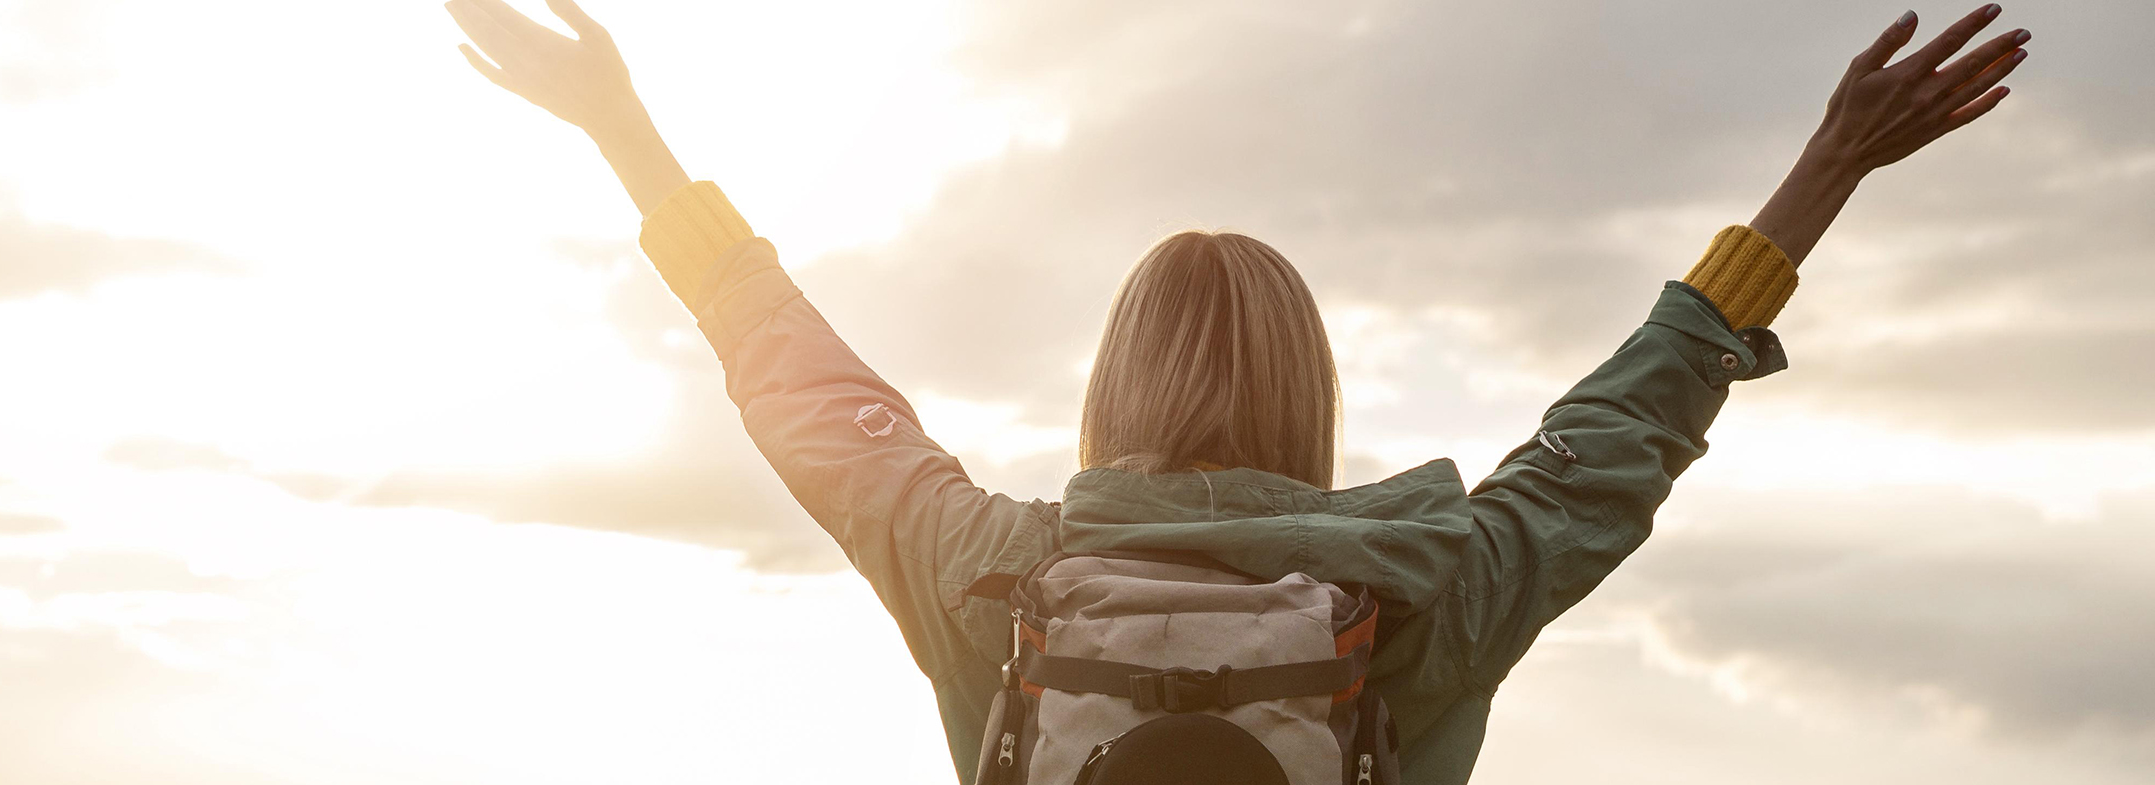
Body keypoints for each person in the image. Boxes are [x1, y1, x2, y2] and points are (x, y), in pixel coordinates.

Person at [439, 1, 2029, 782]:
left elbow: (789, 367)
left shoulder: (984, 569)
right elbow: (1628, 420)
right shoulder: (1440, 583)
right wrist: (1824, 173)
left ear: (1106, 380)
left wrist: (623, 136)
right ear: (1311, 386)